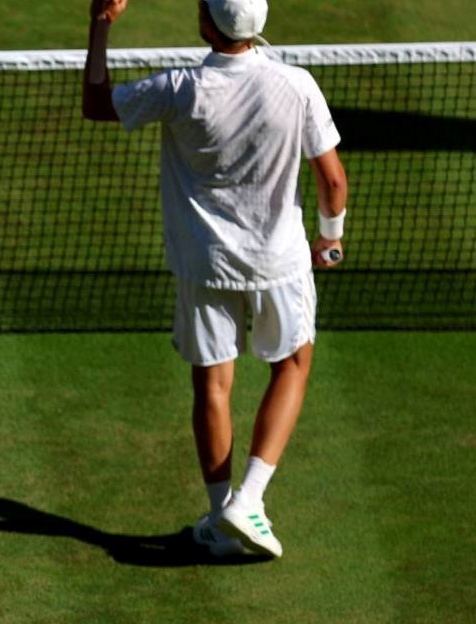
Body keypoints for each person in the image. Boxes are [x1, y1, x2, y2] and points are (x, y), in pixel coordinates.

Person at [82, 0, 348, 558]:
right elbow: (332, 181)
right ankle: (247, 503)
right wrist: (331, 237)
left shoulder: (179, 88)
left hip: (204, 263)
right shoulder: (297, 85)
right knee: (292, 366)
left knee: (212, 385)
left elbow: (96, 102)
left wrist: (100, 24)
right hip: (279, 261)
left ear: (207, 25)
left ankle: (223, 516)